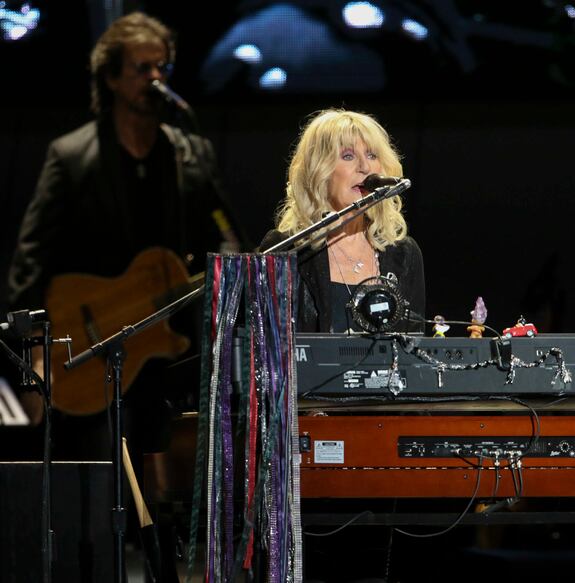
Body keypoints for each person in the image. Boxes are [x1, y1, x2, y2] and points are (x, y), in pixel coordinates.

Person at [5, 11, 247, 458]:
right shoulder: (73, 156)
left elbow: (226, 237)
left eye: (162, 68)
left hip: (165, 350)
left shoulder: (189, 154)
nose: (155, 78)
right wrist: (34, 358)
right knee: (98, 479)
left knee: (166, 480)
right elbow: (30, 261)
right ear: (112, 77)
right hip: (87, 348)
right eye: (142, 68)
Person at [259, 108, 425, 333]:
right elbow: (269, 349)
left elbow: (415, 350)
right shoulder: (288, 251)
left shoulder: (403, 254)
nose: (365, 167)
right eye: (348, 156)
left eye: (372, 155)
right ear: (319, 171)